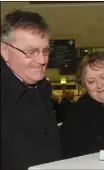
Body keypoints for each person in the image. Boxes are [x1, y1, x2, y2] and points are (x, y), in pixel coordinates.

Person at [1, 10, 62, 170]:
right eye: (31, 52)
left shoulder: (42, 89)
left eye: (45, 51)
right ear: (4, 51)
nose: (42, 60)